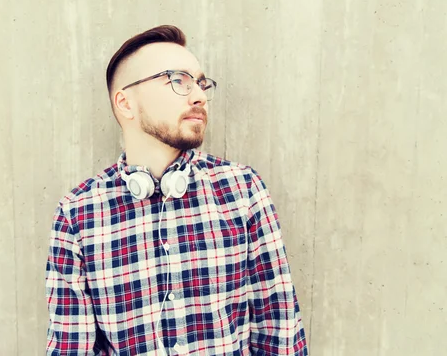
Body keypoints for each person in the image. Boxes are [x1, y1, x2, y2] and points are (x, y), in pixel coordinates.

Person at [45, 25, 308, 355]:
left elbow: (280, 331)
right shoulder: (78, 214)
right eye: (178, 80)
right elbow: (72, 347)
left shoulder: (242, 191)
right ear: (125, 103)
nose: (198, 95)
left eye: (200, 83)